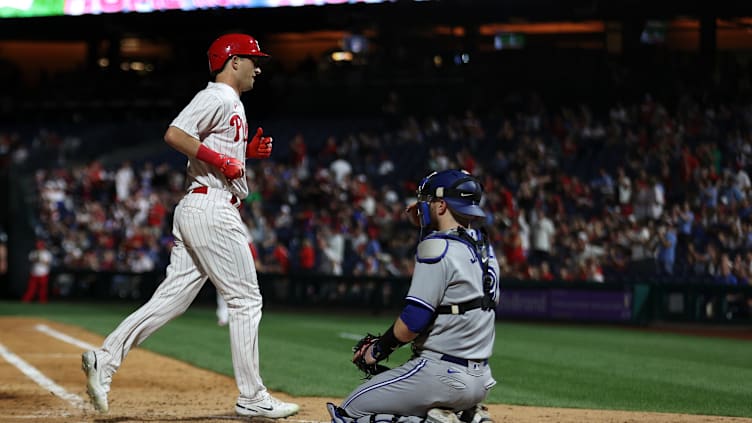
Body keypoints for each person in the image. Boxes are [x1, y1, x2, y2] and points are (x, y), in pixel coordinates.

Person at [81, 33, 299, 419]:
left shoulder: (229, 102)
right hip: (212, 207)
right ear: (234, 62)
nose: (258, 66)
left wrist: (242, 153)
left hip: (201, 206)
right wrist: (223, 160)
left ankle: (105, 358)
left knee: (171, 300)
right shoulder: (216, 96)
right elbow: (175, 134)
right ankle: (252, 396)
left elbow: (212, 149)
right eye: (253, 59)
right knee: (246, 300)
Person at [327, 169, 500, 423]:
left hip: (440, 374)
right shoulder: (486, 250)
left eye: (427, 200)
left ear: (441, 205)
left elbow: (413, 322)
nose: (421, 206)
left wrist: (377, 349)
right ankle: (468, 416)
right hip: (481, 380)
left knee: (349, 413)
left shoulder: (435, 246)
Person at [21, 239, 53, 303]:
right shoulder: (34, 252)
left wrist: (40, 259)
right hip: (34, 273)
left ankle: (42, 301)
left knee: (43, 289)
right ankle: (26, 300)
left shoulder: (47, 253)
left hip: (43, 273)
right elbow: (31, 260)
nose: (39, 248)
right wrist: (37, 258)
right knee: (31, 288)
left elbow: (47, 263)